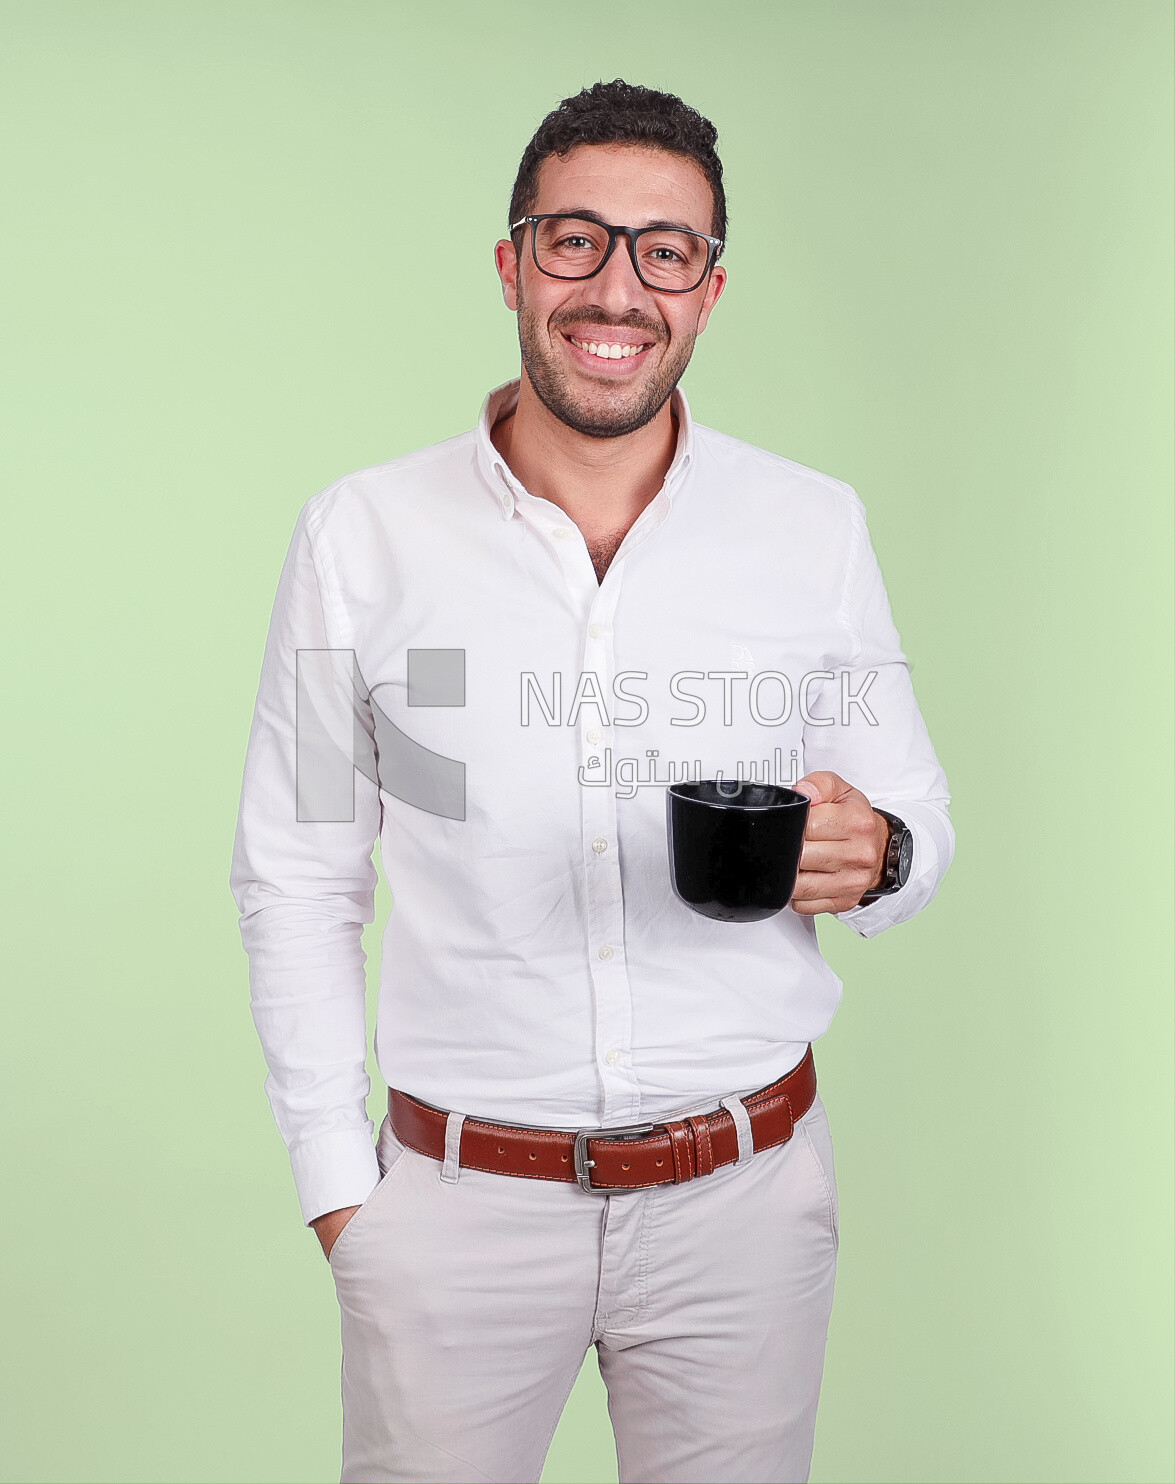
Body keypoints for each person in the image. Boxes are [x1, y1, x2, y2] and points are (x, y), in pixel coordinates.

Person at [229, 79, 953, 1484]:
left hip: (746, 1210)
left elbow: (918, 827)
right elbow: (300, 870)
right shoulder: (367, 541)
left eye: (663, 250)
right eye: (575, 240)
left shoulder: (809, 530)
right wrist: (342, 1198)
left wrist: (882, 856)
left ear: (709, 290)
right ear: (512, 264)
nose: (617, 287)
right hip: (452, 1218)